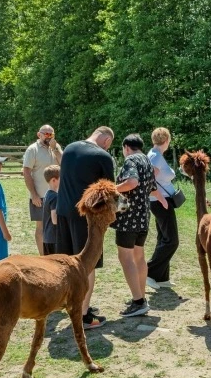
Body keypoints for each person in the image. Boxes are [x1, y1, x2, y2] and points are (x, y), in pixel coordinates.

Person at [56, 126, 116, 329]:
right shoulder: (102, 156)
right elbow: (109, 192)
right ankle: (82, 316)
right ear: (107, 141)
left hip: (63, 211)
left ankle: (72, 302)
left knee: (67, 262)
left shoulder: (70, 149)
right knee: (87, 263)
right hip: (85, 216)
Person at [114, 134, 168, 317]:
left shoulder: (130, 160)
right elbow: (152, 186)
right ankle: (141, 297)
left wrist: (112, 189)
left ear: (126, 147)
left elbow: (132, 182)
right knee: (139, 257)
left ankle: (138, 301)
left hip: (128, 216)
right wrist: (161, 199)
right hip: (144, 216)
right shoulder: (145, 160)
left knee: (125, 257)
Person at [146, 127, 180, 290]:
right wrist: (160, 198)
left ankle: (161, 277)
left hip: (160, 201)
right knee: (171, 240)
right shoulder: (154, 157)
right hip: (161, 202)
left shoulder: (155, 155)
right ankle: (149, 272)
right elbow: (149, 180)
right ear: (166, 141)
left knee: (163, 238)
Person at [23, 125, 63, 253]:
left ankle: (56, 253)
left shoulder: (56, 148)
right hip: (40, 196)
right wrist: (33, 194)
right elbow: (26, 172)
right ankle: (43, 256)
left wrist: (55, 149)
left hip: (58, 196)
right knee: (41, 228)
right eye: (46, 134)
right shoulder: (32, 150)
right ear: (38, 134)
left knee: (57, 225)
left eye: (51, 134)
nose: (49, 136)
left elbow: (64, 163)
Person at [41, 165, 60, 256]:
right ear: (54, 180)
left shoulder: (47, 194)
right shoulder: (55, 197)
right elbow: (55, 220)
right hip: (54, 239)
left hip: (47, 238)